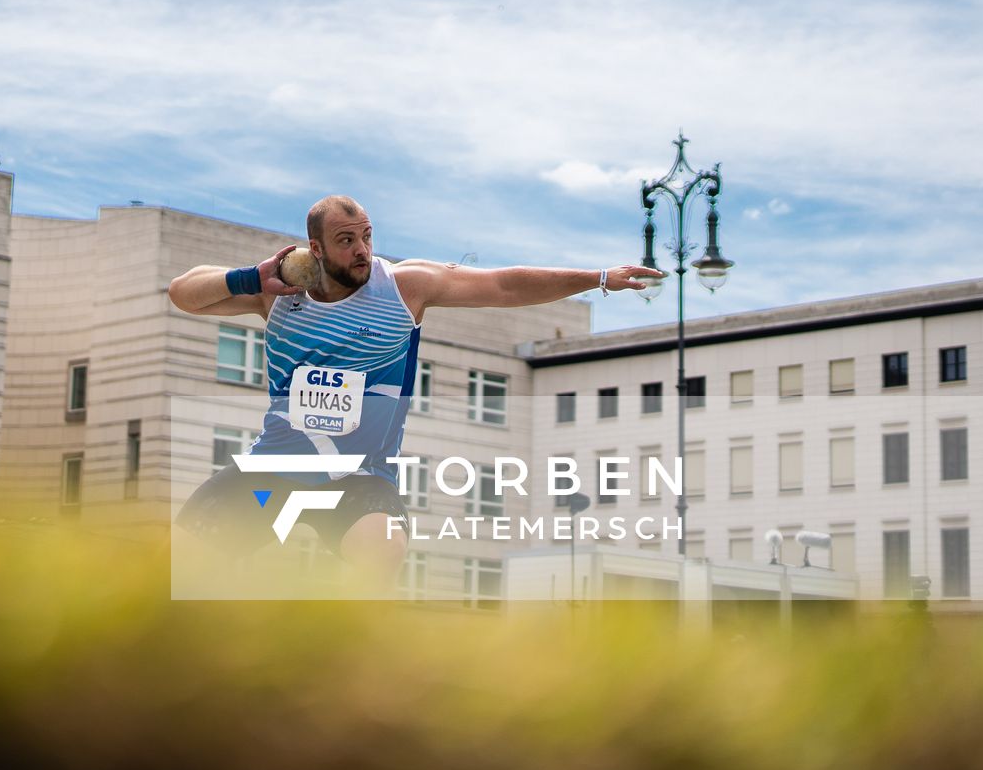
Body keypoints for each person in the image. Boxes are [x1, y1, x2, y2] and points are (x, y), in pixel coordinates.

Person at [167, 194, 661, 595]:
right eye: (345, 241)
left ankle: (342, 664)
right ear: (313, 250)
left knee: (382, 550)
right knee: (182, 561)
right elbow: (183, 293)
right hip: (274, 468)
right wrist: (250, 277)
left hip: (357, 478)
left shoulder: (404, 288)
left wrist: (597, 278)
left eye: (366, 236)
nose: (361, 249)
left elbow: (504, 286)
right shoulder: (278, 294)